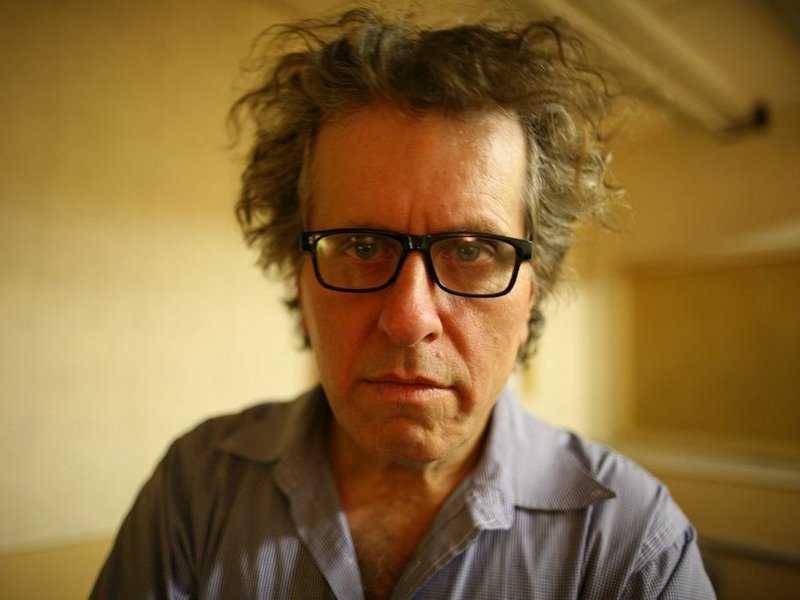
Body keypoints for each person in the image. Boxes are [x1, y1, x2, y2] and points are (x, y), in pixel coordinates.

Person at [92, 8, 715, 599]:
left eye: (471, 251)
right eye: (362, 246)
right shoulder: (197, 485)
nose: (410, 318)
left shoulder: (631, 542)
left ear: (534, 292)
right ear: (299, 277)